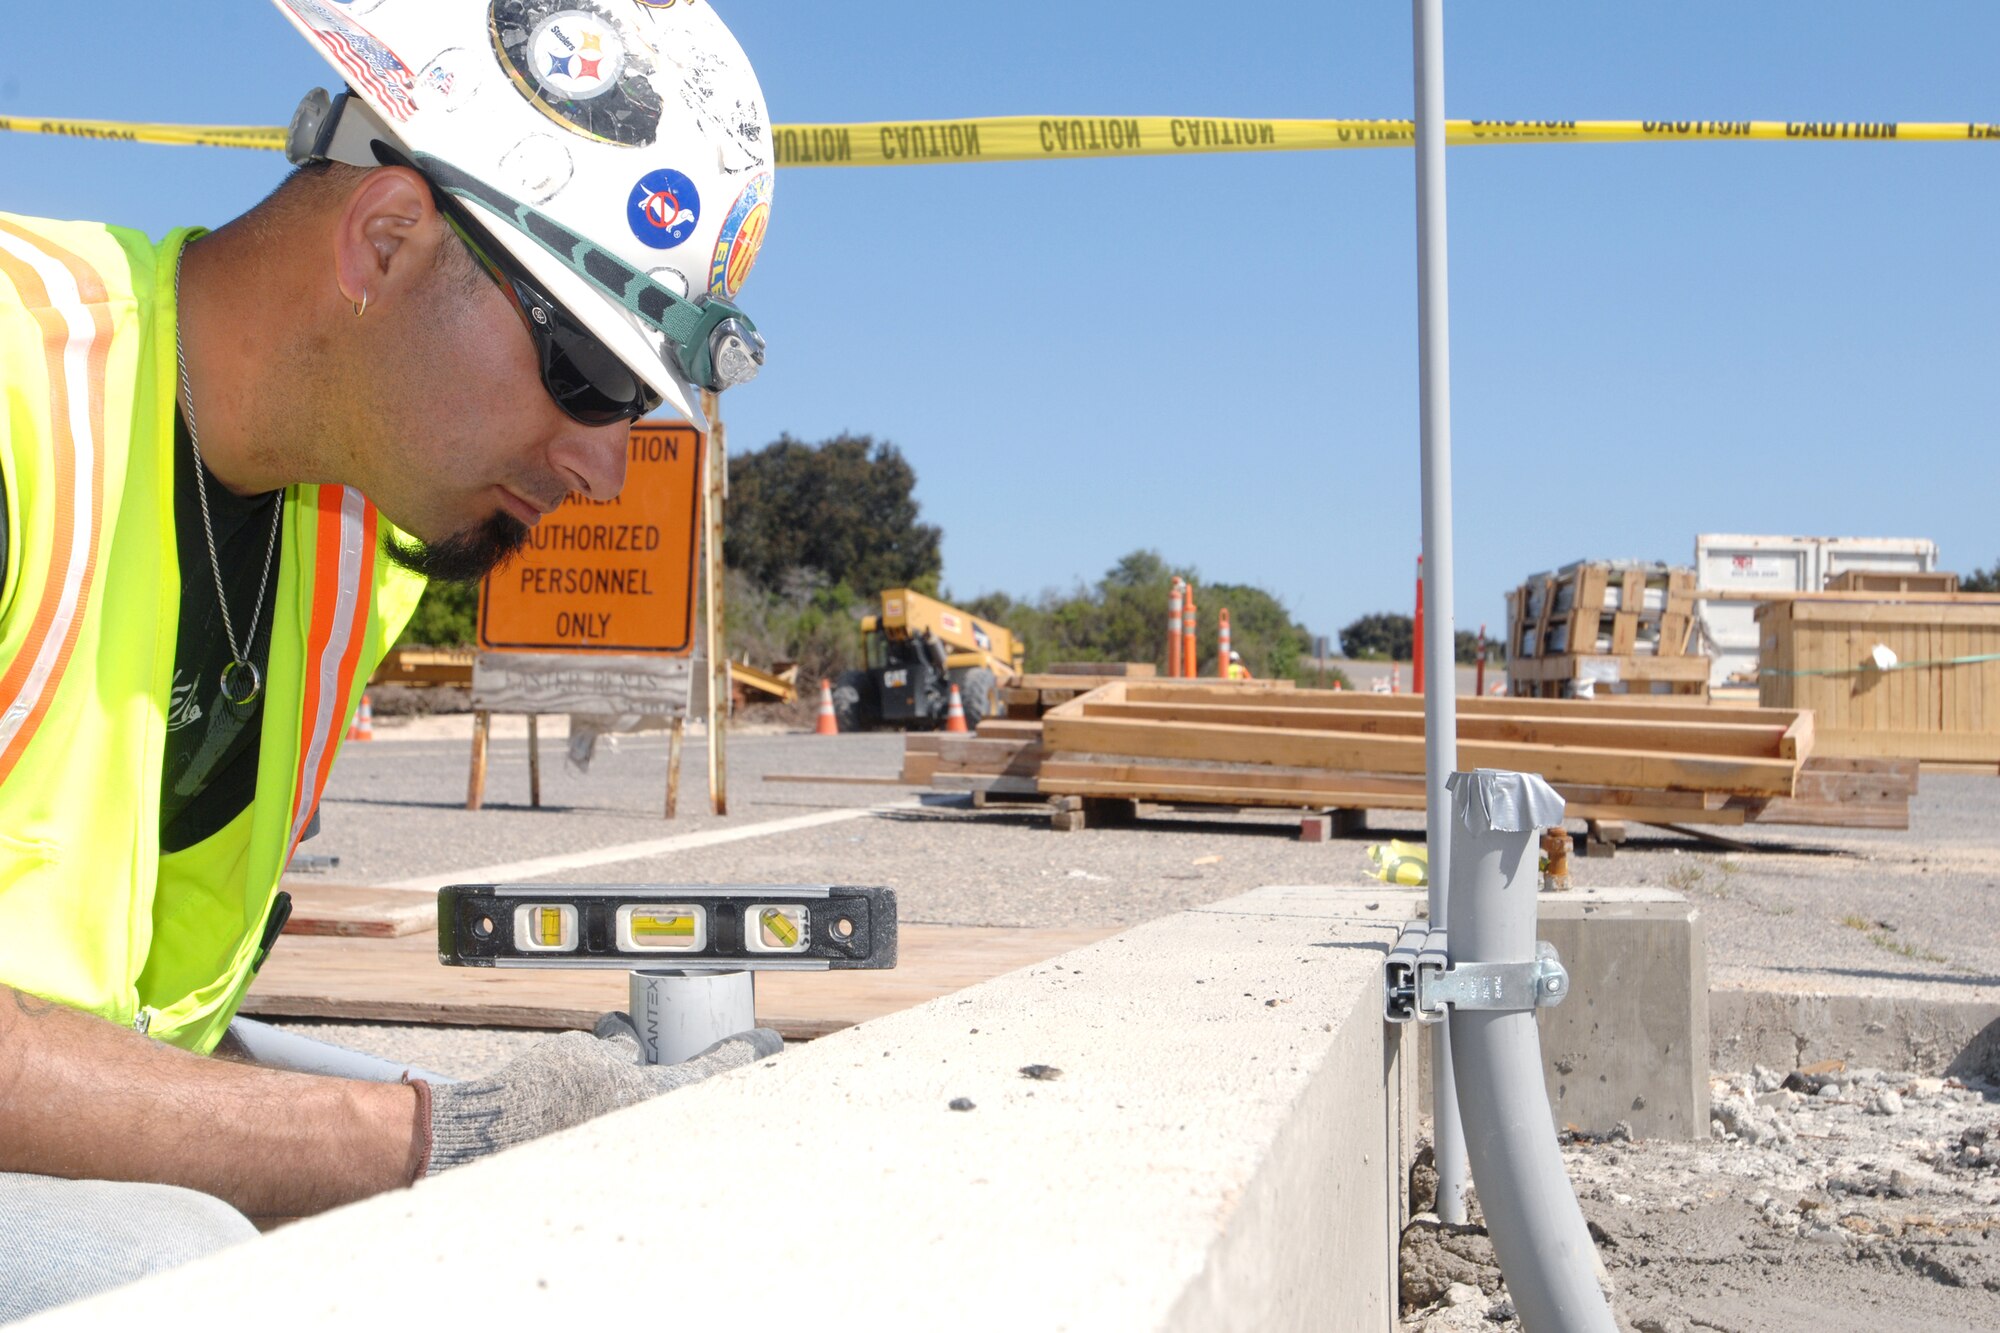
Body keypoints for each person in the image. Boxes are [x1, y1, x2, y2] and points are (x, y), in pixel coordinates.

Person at [0, 0, 778, 1319]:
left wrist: (527, 1120)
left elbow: (140, 1024)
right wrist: (436, 1136)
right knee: (168, 1267)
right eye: (586, 374)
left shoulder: (370, 544)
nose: (603, 467)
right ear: (384, 238)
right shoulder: (22, 385)